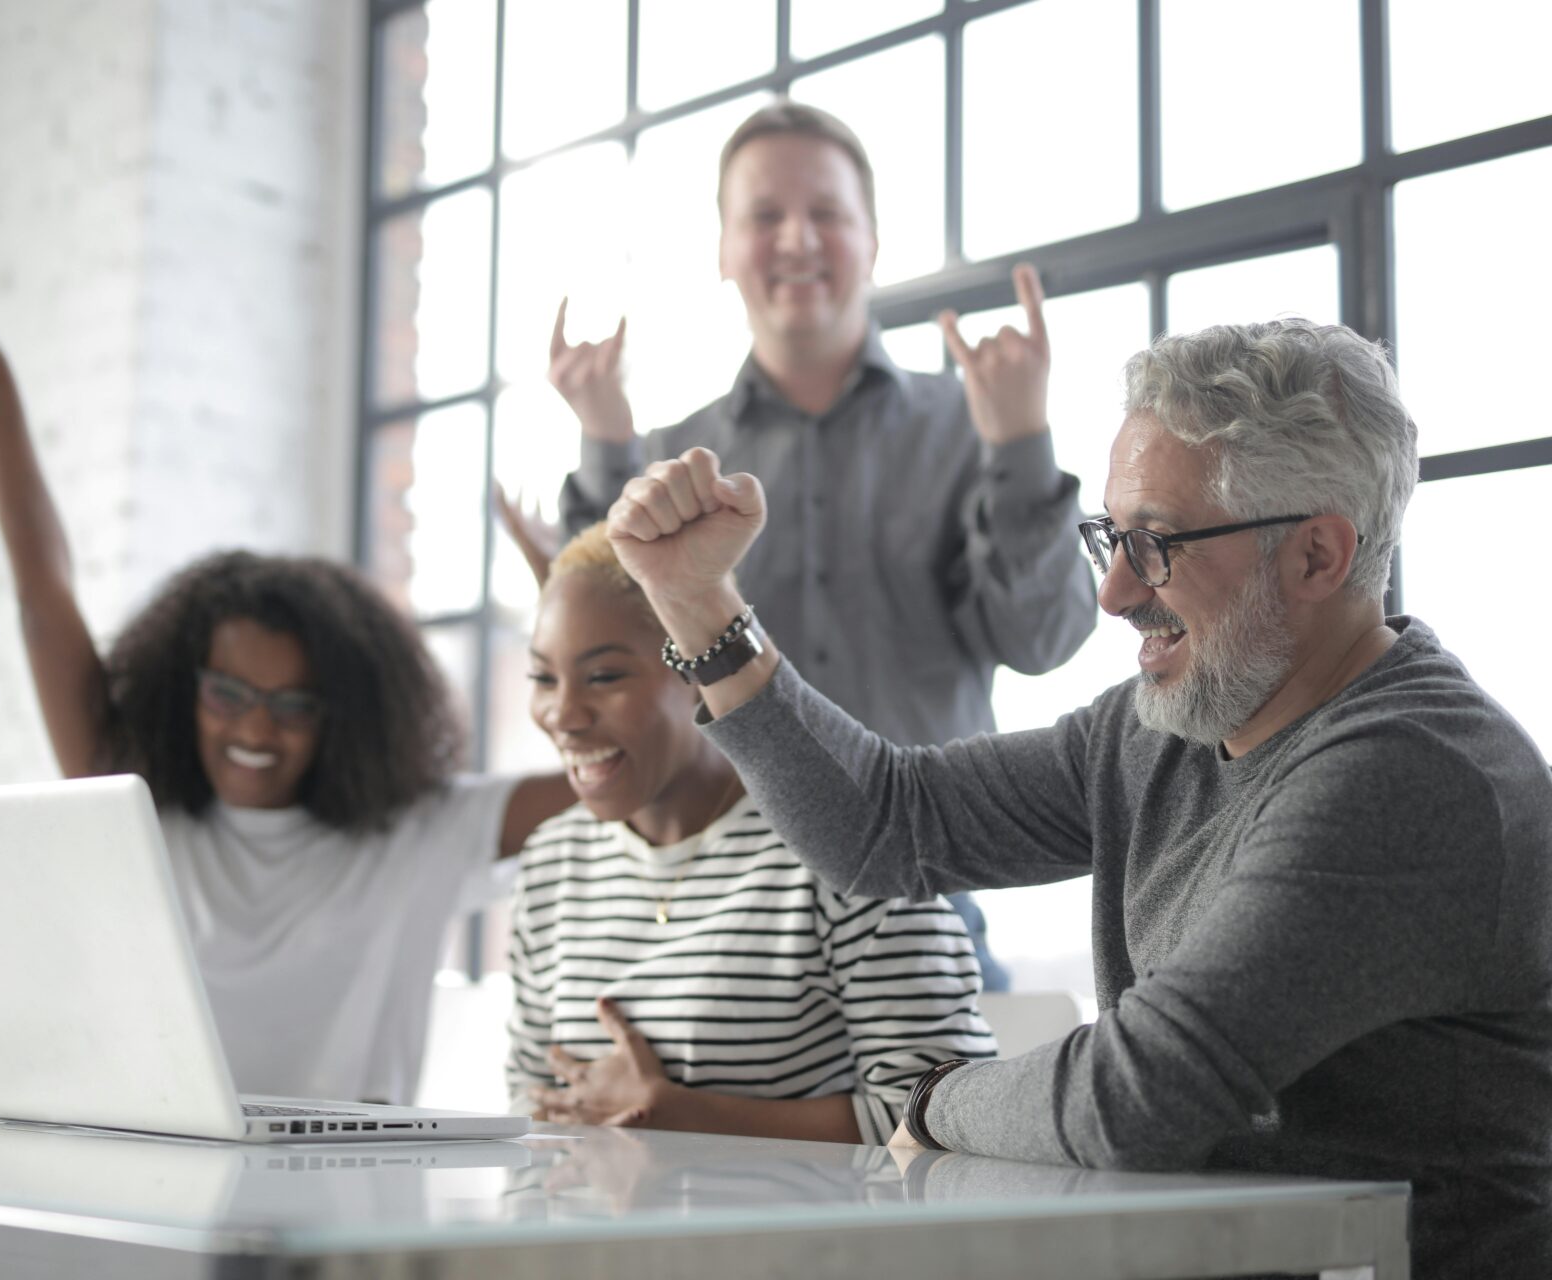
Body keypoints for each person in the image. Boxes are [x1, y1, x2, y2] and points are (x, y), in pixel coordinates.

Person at [599, 317, 1552, 1276]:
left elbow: (1136, 1097)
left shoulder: (1408, 776)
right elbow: (885, 825)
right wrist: (699, 605)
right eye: (1110, 538)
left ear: (1317, 556)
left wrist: (931, 1100)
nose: (1115, 592)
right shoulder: (1159, 731)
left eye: (1159, 545)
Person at [0, 187, 574, 1107]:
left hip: (345, 1234)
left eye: (294, 705)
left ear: (345, 718)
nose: (257, 727)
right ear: (186, 688)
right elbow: (42, 592)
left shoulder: (418, 836)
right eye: (229, 694)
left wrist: (569, 587)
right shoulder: (135, 811)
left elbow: (612, 766)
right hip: (158, 1221)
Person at [547, 102, 1101, 988]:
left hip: (926, 900)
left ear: (872, 241)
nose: (798, 238)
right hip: (718, 912)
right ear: (723, 251)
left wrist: (1022, 443)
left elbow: (1042, 643)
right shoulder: (668, 459)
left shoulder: (970, 427)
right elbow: (591, 657)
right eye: (764, 215)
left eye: (828, 213)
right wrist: (607, 448)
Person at [506, 524, 992, 1144]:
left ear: (694, 667)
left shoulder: (848, 840)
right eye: (543, 679)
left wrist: (686, 1120)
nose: (564, 716)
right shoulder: (553, 860)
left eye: (604, 677)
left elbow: (950, 1116)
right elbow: (529, 1100)